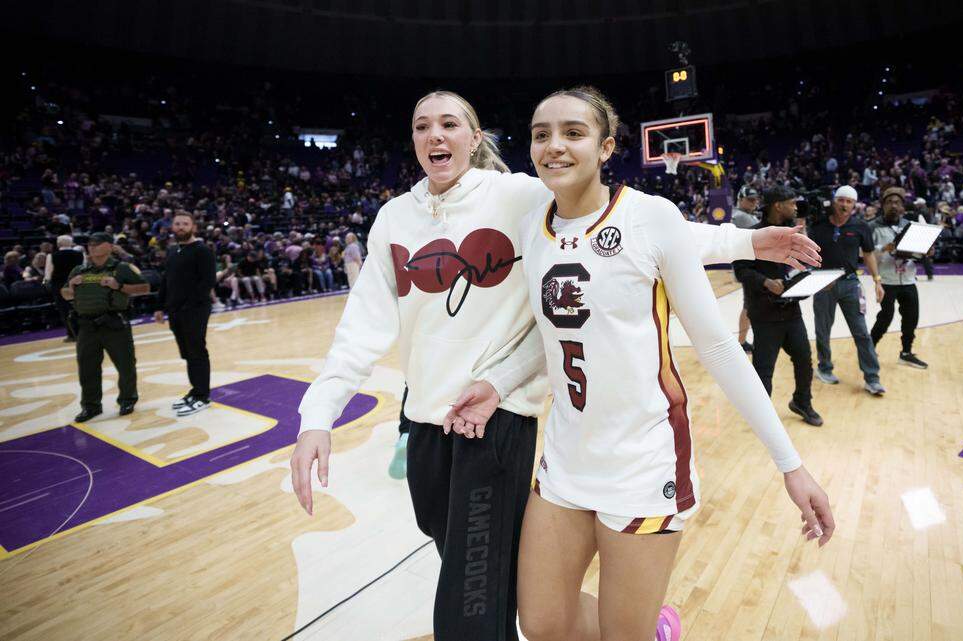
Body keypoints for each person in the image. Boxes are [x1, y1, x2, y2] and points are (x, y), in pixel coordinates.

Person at [289, 90, 822, 641]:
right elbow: (532, 340)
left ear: (477, 139)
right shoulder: (474, 222)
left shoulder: (568, 205)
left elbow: (670, 255)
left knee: (518, 611)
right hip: (518, 448)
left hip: (590, 447)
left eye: (450, 124)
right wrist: (323, 413)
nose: (554, 146)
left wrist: (746, 240)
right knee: (533, 615)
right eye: (422, 125)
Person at [448, 86, 833, 641]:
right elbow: (557, 335)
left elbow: (720, 347)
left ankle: (655, 629)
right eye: (541, 134)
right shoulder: (533, 224)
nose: (554, 146)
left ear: (606, 148)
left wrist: (790, 465)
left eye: (573, 133)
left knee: (621, 634)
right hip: (565, 457)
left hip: (643, 464)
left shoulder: (651, 216)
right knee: (541, 625)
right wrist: (498, 381)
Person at [734, 185, 823, 426]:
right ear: (777, 205)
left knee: (804, 360)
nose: (795, 207)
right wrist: (764, 282)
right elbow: (740, 271)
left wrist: (814, 282)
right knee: (764, 368)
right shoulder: (752, 235)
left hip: (791, 311)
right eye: (792, 203)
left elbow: (801, 268)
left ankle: (802, 402)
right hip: (765, 314)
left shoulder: (795, 236)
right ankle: (762, 417)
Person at [61, 232, 150, 422]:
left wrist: (119, 286)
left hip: (114, 323)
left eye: (97, 244)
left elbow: (145, 288)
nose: (92, 247)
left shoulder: (122, 268)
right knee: (87, 368)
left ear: (110, 246)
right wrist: (71, 287)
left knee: (125, 365)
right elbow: (65, 294)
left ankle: (127, 399)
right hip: (86, 326)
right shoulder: (78, 270)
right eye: (90, 244)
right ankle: (91, 406)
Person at [809, 185, 886, 395]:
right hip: (823, 284)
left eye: (849, 201)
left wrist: (877, 281)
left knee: (861, 332)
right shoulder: (818, 225)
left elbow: (869, 255)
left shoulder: (861, 227)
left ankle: (872, 378)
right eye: (841, 200)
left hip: (851, 284)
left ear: (854, 205)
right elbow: (806, 250)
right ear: (834, 201)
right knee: (822, 330)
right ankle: (824, 367)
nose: (844, 204)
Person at [154, 212, 217, 417]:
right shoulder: (173, 251)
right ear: (172, 227)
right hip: (175, 310)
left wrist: (189, 306)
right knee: (187, 353)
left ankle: (202, 396)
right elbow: (166, 281)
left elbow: (207, 281)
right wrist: (159, 306)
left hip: (195, 310)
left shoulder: (202, 251)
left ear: (193, 227)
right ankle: (195, 390)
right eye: (177, 223)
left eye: (185, 224)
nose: (180, 227)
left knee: (197, 351)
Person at [869, 187, 929, 369]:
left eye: (897, 203)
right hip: (887, 280)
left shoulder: (909, 226)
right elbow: (865, 254)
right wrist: (884, 248)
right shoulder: (873, 226)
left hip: (909, 279)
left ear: (903, 206)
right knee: (885, 318)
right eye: (889, 202)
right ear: (883, 205)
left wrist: (925, 251)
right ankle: (869, 348)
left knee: (911, 318)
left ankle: (906, 353)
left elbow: (918, 253)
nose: (893, 206)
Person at [731, 185, 762, 353]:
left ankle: (742, 341)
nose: (754, 203)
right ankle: (741, 342)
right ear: (740, 199)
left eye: (755, 199)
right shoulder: (741, 217)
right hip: (749, 268)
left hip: (748, 266)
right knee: (749, 305)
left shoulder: (743, 215)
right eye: (750, 200)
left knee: (749, 305)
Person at [45, 234, 85, 342]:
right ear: (71, 243)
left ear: (58, 244)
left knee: (65, 310)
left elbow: (48, 274)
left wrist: (46, 283)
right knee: (82, 308)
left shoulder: (52, 256)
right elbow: (85, 270)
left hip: (60, 285)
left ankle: (72, 334)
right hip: (79, 284)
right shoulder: (80, 254)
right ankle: (86, 332)